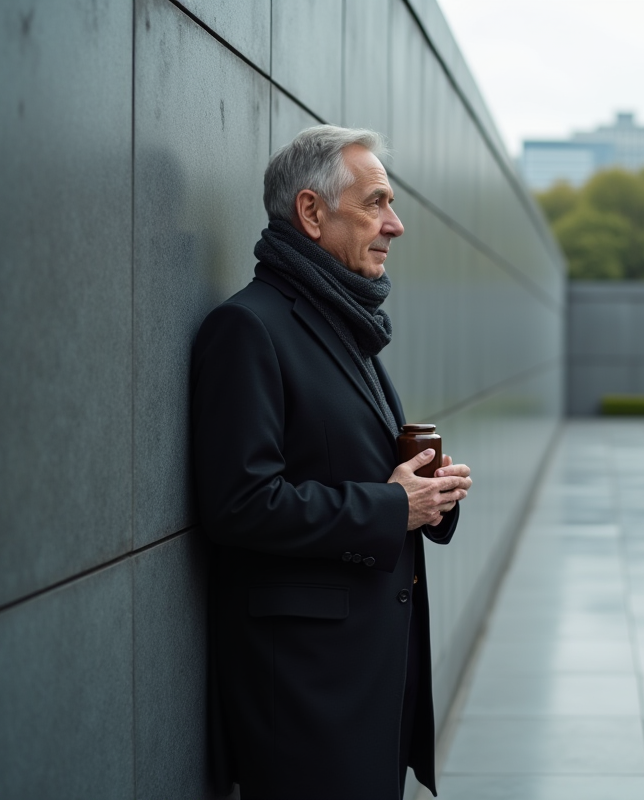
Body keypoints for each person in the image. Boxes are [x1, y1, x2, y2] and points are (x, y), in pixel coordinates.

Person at [191, 125, 472, 800]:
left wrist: (427, 495)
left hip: (363, 677)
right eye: (376, 203)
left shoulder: (344, 325)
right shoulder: (250, 328)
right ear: (311, 213)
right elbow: (239, 503)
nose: (395, 225)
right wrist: (391, 505)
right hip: (305, 693)